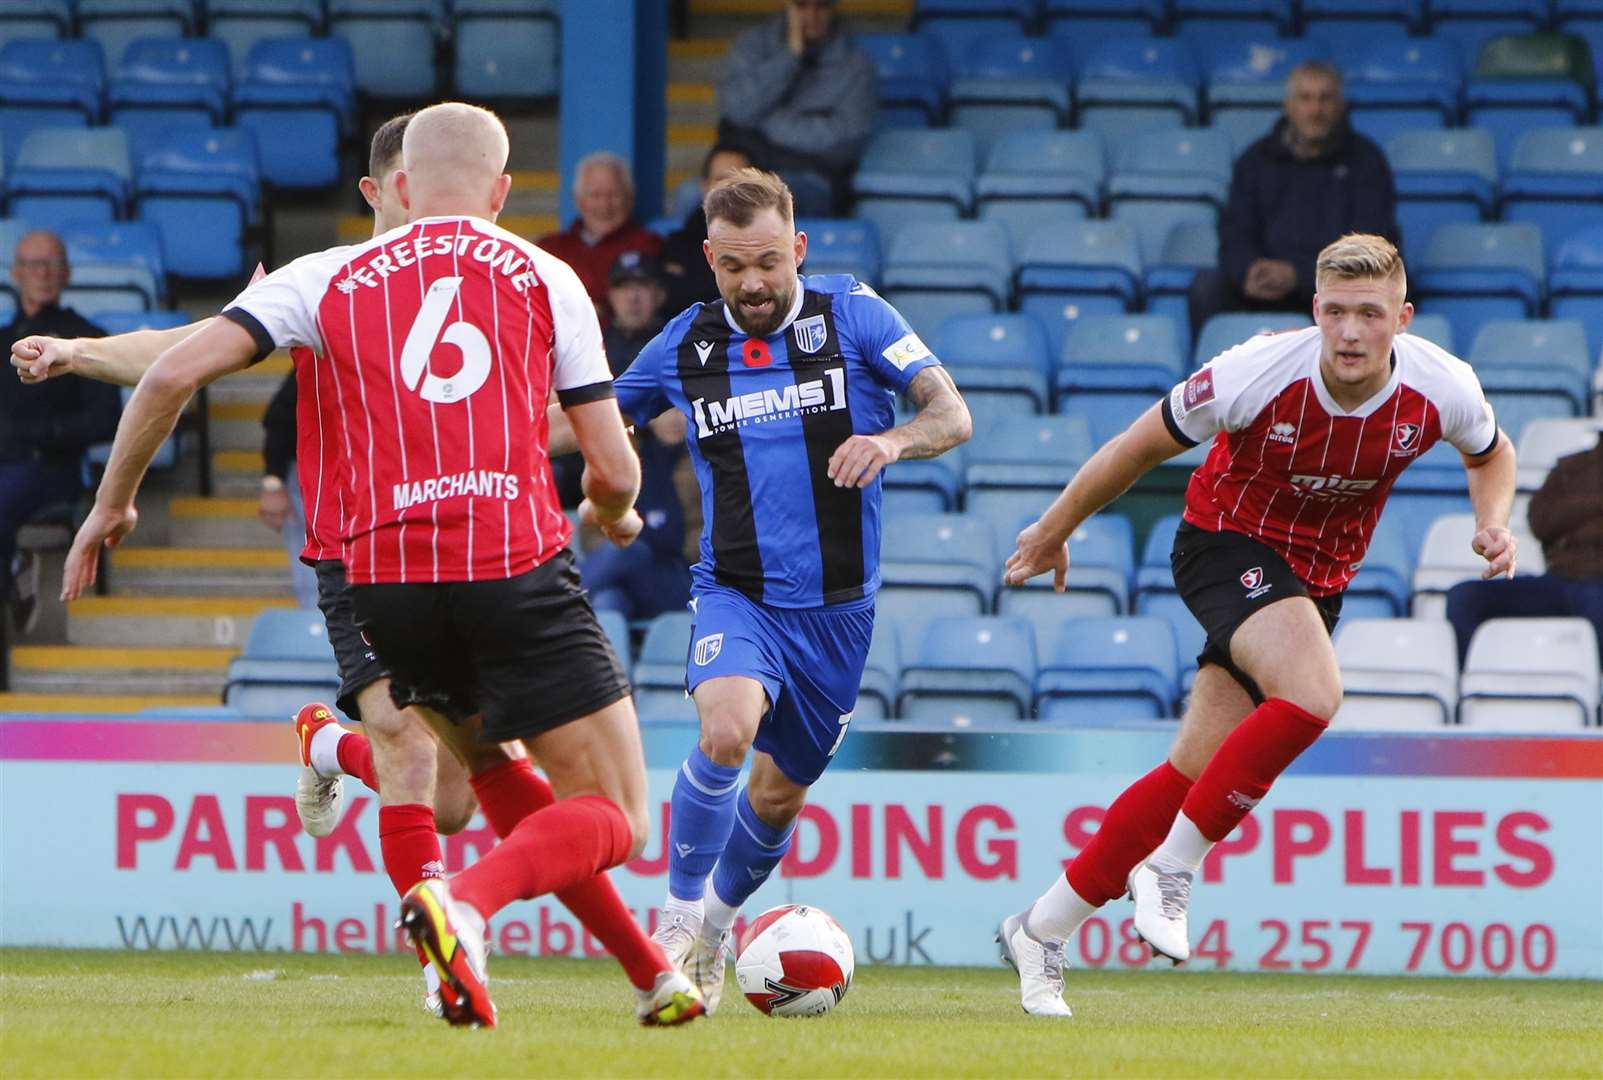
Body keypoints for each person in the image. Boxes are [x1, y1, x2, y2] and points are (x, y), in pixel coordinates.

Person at [57, 101, 703, 1031]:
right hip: (507, 562)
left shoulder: (326, 276)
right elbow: (610, 465)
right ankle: (465, 910)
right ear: (503, 190)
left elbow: (171, 373)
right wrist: (612, 511)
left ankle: (645, 972)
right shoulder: (543, 272)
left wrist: (110, 506)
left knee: (465, 786)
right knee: (615, 816)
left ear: (399, 185)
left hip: (383, 580)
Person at [998, 234, 1516, 1017]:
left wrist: (1492, 523)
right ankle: (1173, 868)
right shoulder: (1254, 371)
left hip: (1316, 580)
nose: (1348, 331)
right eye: (1334, 312)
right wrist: (1054, 527)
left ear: (1400, 319)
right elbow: (1135, 448)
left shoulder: (1443, 387)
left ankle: (1041, 928)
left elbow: (1491, 452)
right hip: (1222, 542)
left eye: (1367, 315)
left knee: (1187, 776)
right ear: (1314, 310)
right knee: (1311, 692)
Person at [610, 168, 971, 1013]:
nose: (754, 283)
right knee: (728, 728)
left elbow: (950, 416)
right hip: (736, 592)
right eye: (734, 266)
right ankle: (675, 917)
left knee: (775, 797)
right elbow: (592, 421)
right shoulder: (686, 345)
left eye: (769, 261)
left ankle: (712, 932)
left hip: (838, 614)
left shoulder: (853, 315)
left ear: (798, 248)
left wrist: (888, 442)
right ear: (708, 258)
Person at [1189, 62, 1400, 344]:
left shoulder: (1366, 162)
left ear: (1340, 105)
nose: (1315, 110)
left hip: (1333, 286)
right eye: (1306, 98)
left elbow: (1371, 243)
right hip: (1261, 288)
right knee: (1208, 288)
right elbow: (1234, 230)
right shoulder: (1255, 160)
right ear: (1288, 105)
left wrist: (1298, 275)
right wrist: (1248, 270)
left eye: (1325, 99)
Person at [1, 230, 119, 634]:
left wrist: (42, 434)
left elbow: (105, 420)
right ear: (16, 272)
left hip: (52, 470)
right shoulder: (2, 340)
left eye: (52, 263)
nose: (43, 273)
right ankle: (16, 570)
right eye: (33, 264)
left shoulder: (86, 340)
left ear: (67, 273)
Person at [584, 251, 693, 620]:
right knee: (607, 603)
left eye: (641, 287)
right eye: (623, 288)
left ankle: (544, 610)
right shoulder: (621, 453)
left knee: (629, 553)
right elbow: (594, 530)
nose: (632, 297)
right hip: (630, 576)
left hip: (683, 579)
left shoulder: (703, 457)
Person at [1446, 431, 1603, 664]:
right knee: (1464, 597)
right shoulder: (1570, 468)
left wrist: (1576, 517)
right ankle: (1470, 687)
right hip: (1561, 579)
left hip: (1597, 586)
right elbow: (1540, 520)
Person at [716, 0, 876, 214]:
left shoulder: (855, 64)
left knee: (779, 199)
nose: (811, 15)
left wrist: (764, 120)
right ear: (788, 6)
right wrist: (789, 59)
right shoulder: (753, 46)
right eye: (802, 5)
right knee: (693, 195)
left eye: (821, 6)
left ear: (834, 8)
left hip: (813, 174)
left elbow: (845, 140)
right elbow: (735, 109)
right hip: (748, 167)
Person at [537, 151, 662, 324]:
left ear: (630, 198)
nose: (604, 205)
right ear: (578, 200)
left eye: (614, 195)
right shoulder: (550, 248)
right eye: (595, 195)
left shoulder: (648, 245)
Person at [661, 143, 752, 317]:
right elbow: (674, 304)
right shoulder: (678, 245)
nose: (729, 189)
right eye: (720, 179)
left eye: (738, 180)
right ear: (704, 187)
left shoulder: (776, 241)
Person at [257, 371, 318, 609]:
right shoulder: (318, 360)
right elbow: (279, 417)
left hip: (367, 475)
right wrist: (273, 482)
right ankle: (317, 638)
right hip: (308, 474)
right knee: (313, 574)